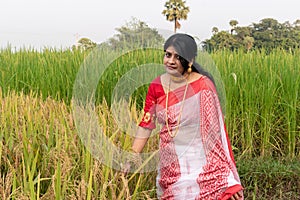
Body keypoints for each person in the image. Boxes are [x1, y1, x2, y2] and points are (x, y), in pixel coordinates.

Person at [123, 33, 244, 200]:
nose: (170, 61)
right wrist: (132, 156)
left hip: (203, 166)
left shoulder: (203, 86)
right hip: (171, 167)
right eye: (168, 55)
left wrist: (228, 178)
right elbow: (146, 124)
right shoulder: (156, 86)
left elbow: (217, 136)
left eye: (178, 57)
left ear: (190, 60)